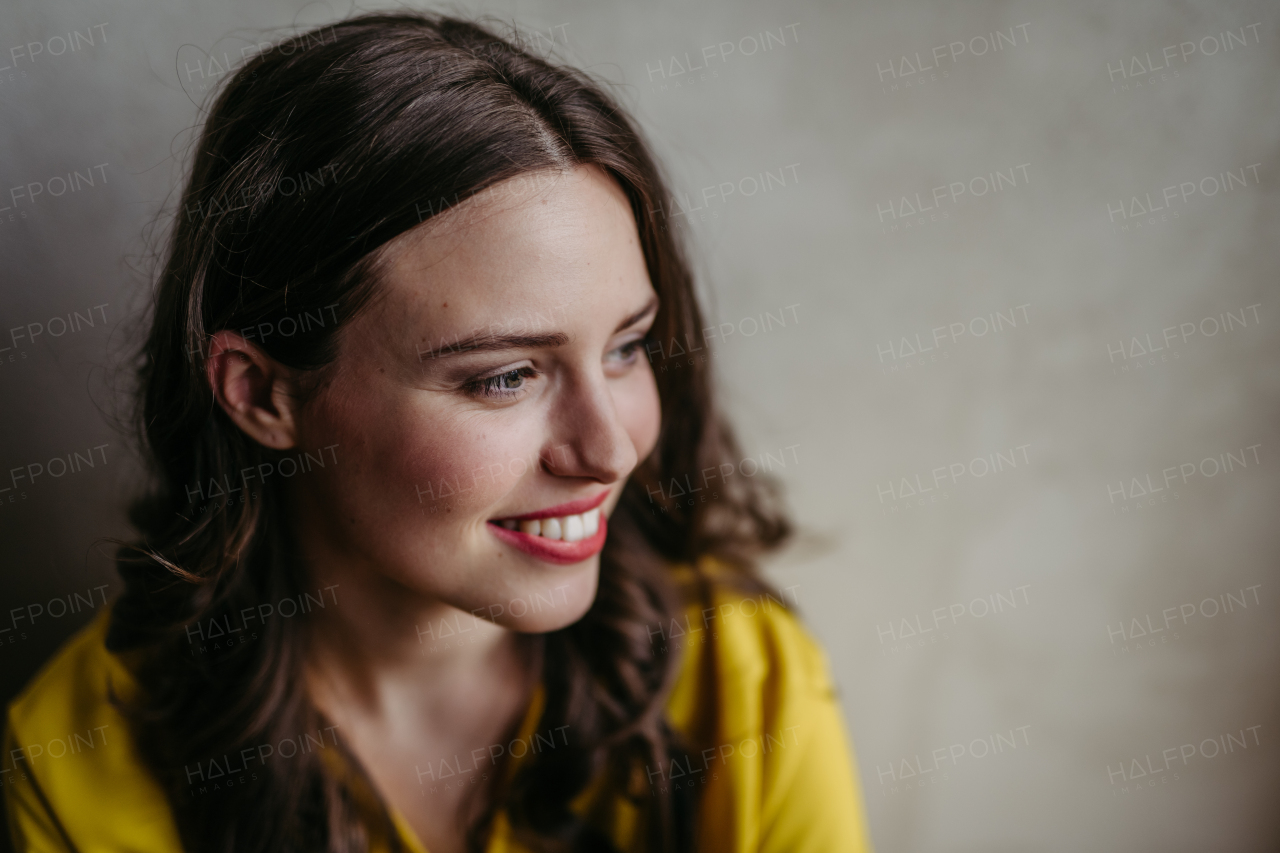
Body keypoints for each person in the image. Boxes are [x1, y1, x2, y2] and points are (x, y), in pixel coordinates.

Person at [3, 12, 872, 853]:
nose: (609, 450)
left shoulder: (746, 682)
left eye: (626, 347)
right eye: (504, 376)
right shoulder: (72, 764)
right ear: (263, 393)